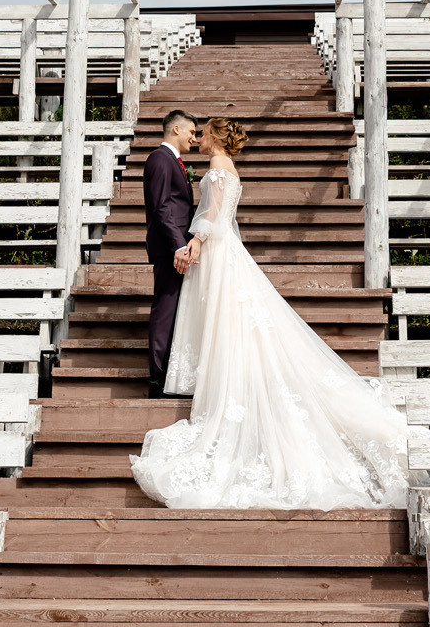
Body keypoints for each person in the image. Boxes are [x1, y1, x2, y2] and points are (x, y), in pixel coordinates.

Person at [131, 117, 409, 510]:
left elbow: (214, 216)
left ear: (216, 137)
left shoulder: (218, 166)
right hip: (222, 249)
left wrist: (196, 241)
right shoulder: (224, 166)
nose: (199, 137)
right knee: (231, 321)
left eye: (203, 132)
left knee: (227, 319)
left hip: (216, 249)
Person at [142, 109, 199, 399]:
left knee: (175, 309)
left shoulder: (173, 161)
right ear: (176, 129)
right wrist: (178, 245)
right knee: (165, 310)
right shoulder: (160, 159)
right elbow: (161, 206)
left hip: (178, 247)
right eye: (191, 132)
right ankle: (157, 378)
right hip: (169, 249)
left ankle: (169, 374)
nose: (194, 138)